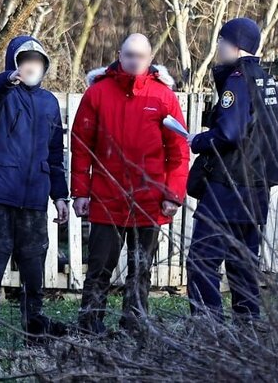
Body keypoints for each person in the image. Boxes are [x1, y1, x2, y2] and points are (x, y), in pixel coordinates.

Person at [71, 34, 190, 335]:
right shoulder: (97, 94)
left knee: (141, 269)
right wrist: (80, 192)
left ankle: (135, 324)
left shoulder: (163, 97)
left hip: (148, 200)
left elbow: (178, 150)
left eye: (141, 56)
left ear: (150, 59)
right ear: (119, 56)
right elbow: (81, 147)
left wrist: (173, 195)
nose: (135, 61)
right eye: (130, 55)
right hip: (106, 198)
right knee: (99, 268)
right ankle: (90, 324)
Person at [0, 35, 71, 349]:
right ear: (15, 63)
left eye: (37, 61)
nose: (32, 66)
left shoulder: (49, 103)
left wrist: (60, 196)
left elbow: (55, 154)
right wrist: (7, 79)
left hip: (34, 199)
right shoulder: (2, 95)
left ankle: (34, 330)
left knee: (33, 269)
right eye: (25, 60)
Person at [185, 17, 278, 323]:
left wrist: (198, 140)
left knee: (202, 259)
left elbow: (230, 133)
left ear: (235, 46)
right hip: (257, 189)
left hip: (229, 187)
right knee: (242, 264)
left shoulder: (237, 81)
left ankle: (208, 329)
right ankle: (247, 327)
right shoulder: (267, 81)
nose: (218, 47)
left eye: (221, 42)